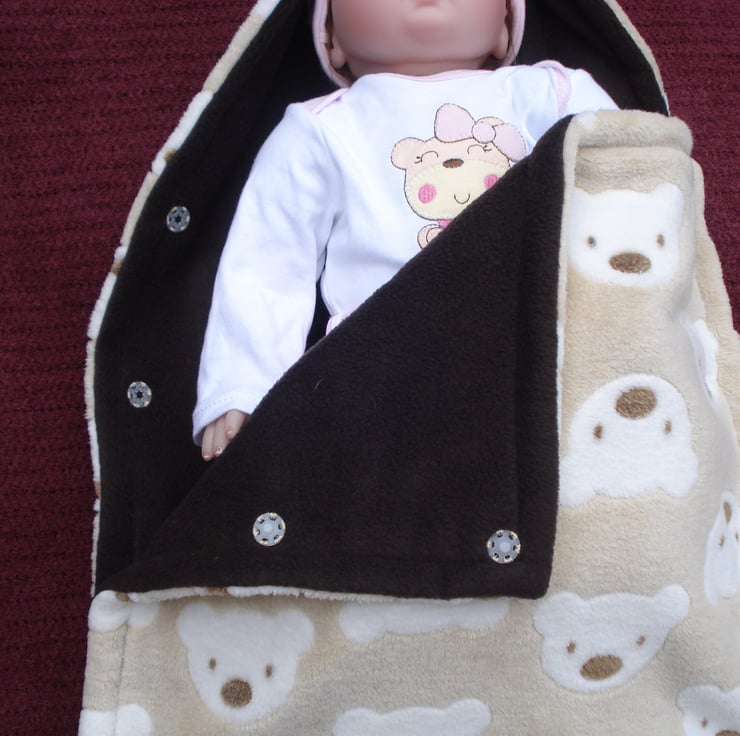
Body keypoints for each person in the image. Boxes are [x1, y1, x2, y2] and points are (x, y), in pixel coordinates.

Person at [194, 0, 617, 460]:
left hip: (540, 343)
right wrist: (244, 386)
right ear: (332, 39)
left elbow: (630, 181)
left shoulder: (551, 94)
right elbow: (268, 258)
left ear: (505, 27)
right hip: (386, 365)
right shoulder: (322, 128)